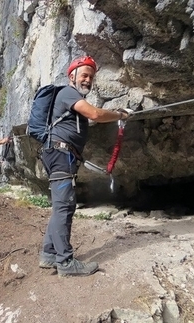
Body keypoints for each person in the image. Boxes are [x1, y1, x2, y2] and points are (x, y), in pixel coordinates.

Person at [38, 56, 132, 276]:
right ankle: (65, 262)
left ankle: (49, 254)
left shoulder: (72, 97)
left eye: (91, 76)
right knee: (64, 207)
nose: (88, 80)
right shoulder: (68, 93)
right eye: (84, 75)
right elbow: (95, 114)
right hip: (61, 155)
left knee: (62, 207)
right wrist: (120, 114)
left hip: (60, 154)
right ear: (72, 76)